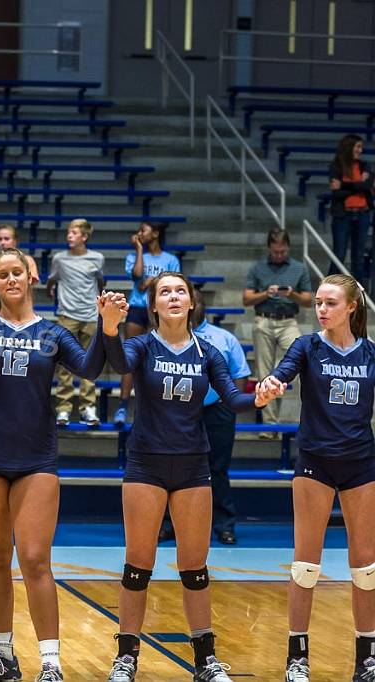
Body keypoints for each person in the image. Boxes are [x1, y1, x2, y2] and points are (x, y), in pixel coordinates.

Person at [0, 247, 124, 682]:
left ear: (31, 278)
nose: (10, 280)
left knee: (34, 559)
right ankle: (3, 656)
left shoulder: (54, 333)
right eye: (2, 274)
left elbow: (88, 369)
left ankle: (51, 661)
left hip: (35, 458)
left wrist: (107, 327)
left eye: (17, 273)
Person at [102, 272, 277, 682]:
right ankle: (125, 658)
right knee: (137, 566)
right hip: (145, 464)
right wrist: (109, 326)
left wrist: (259, 397)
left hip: (193, 466)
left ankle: (206, 659)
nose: (174, 296)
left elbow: (233, 399)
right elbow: (117, 362)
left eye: (181, 290)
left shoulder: (209, 352)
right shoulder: (142, 346)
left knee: (195, 567)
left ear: (192, 302)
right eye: (165, 292)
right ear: (155, 306)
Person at [257, 274, 375, 682]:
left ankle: (367, 658)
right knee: (306, 565)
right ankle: (297, 657)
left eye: (330, 303)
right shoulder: (307, 346)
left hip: (361, 464)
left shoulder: (370, 355)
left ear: (351, 307)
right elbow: (283, 371)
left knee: (365, 568)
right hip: (315, 463)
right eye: (319, 303)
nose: (321, 309)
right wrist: (273, 383)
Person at [159, 288, 250, 547]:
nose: (192, 304)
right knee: (172, 467)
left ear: (200, 305)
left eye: (195, 300)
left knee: (217, 469)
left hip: (217, 411)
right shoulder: (166, 337)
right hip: (177, 412)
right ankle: (168, 524)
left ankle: (224, 525)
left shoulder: (224, 338)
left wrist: (229, 403)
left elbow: (240, 373)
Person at [243, 228, 313, 433]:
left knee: (307, 362)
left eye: (282, 251)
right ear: (269, 248)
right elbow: (246, 299)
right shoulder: (258, 268)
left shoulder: (299, 268)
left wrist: (292, 294)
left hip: (288, 321)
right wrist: (266, 293)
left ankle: (310, 419)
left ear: (288, 247)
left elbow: (309, 301)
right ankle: (269, 426)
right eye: (275, 252)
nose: (279, 255)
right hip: (263, 320)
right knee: (265, 373)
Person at [114, 221, 181, 426]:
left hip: (159, 311)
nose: (139, 233)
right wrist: (139, 250)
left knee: (155, 360)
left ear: (156, 233)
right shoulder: (134, 256)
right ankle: (123, 406)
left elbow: (173, 283)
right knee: (129, 358)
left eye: (143, 230)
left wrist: (152, 281)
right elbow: (136, 276)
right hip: (136, 308)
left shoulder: (171, 259)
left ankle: (152, 408)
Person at [47, 218, 105, 426]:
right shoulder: (59, 259)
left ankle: (88, 408)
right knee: (64, 365)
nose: (69, 236)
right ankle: (63, 408)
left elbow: (100, 282)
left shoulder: (97, 258)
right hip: (67, 316)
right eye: (68, 232)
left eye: (74, 233)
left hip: (90, 315)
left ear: (84, 237)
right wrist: (52, 291)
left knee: (90, 363)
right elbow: (52, 280)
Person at [328, 134, 373, 281]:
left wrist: (344, 184)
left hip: (362, 215)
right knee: (339, 256)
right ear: (349, 147)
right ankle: (328, 292)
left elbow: (367, 186)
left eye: (361, 147)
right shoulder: (336, 166)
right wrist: (358, 186)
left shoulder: (365, 165)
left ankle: (358, 297)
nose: (360, 150)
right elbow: (337, 193)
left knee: (358, 259)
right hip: (343, 215)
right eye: (358, 147)